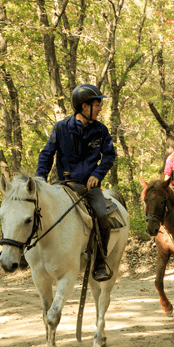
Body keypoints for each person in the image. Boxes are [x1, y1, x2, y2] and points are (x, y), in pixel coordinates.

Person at [36, 83, 121, 282]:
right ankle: (29, 255)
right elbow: (47, 155)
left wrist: (98, 174)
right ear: (85, 106)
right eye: (98, 104)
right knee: (37, 211)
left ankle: (100, 262)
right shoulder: (61, 127)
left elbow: (109, 156)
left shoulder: (101, 130)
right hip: (63, 184)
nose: (100, 108)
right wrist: (41, 178)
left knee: (102, 215)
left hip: (89, 187)